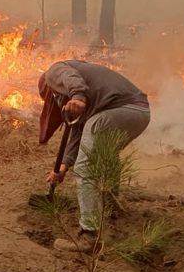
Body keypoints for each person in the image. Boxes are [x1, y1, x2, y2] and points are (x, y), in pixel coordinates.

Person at [38, 60, 150, 251]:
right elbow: (77, 132)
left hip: (120, 109)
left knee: (85, 167)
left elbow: (71, 78)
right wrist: (63, 166)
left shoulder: (53, 72)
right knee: (107, 155)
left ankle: (89, 236)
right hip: (140, 113)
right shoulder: (91, 98)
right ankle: (110, 206)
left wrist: (78, 96)